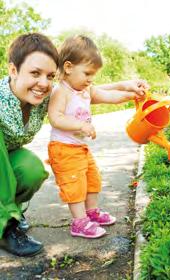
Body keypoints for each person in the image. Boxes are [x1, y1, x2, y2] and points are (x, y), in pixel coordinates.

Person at [48, 35, 148, 239]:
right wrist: (80, 125)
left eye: (93, 75)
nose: (90, 79)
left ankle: (91, 213)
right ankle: (79, 222)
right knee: (74, 185)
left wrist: (131, 95)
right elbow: (55, 118)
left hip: (79, 148)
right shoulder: (62, 91)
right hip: (63, 148)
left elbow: (110, 96)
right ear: (68, 67)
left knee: (92, 180)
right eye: (87, 73)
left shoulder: (84, 90)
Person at [0, 33, 58, 256]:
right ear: (13, 70)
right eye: (35, 73)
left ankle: (12, 211)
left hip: (7, 160)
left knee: (31, 169)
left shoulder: (45, 95)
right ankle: (5, 225)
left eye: (50, 75)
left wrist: (126, 88)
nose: (44, 83)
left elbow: (82, 89)